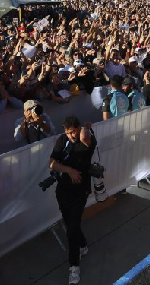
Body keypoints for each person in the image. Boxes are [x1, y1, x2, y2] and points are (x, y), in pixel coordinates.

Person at [49, 116, 96, 285]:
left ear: (79, 129)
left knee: (71, 229)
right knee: (70, 223)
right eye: (68, 133)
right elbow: (52, 163)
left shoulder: (86, 139)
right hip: (63, 189)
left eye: (74, 132)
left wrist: (85, 130)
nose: (71, 136)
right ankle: (82, 244)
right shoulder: (62, 140)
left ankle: (74, 266)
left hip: (80, 191)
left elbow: (88, 142)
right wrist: (69, 170)